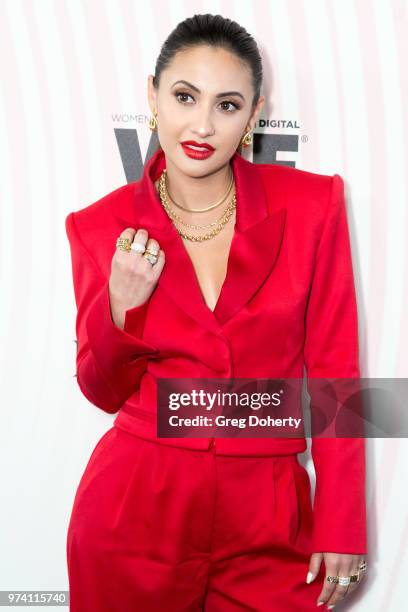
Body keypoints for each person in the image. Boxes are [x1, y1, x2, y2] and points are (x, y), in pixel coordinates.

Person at [65, 13, 367, 612]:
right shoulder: (99, 226)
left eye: (227, 105)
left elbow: (336, 374)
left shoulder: (313, 207)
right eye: (184, 97)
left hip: (269, 517)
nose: (201, 124)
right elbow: (100, 391)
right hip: (137, 509)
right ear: (153, 96)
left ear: (254, 115)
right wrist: (120, 308)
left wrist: (343, 522)